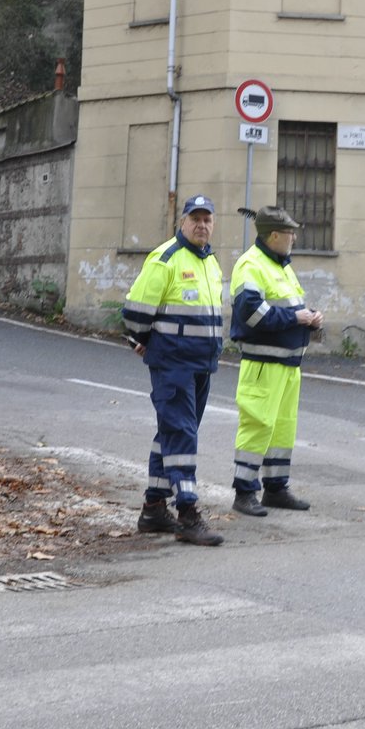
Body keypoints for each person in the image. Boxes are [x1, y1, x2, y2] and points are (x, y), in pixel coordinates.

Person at [122, 194, 226, 546]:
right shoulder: (166, 258)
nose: (202, 225)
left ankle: (153, 508)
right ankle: (188, 513)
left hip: (201, 365)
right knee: (181, 434)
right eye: (195, 218)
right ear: (182, 222)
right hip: (173, 364)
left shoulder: (209, 261)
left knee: (173, 432)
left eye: (207, 219)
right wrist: (138, 339)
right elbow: (136, 310)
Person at [228, 205, 324, 517]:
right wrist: (296, 316)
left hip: (287, 367)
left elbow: (288, 307)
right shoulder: (251, 265)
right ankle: (244, 492)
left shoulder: (281, 266)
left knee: (282, 429)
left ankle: (276, 488)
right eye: (289, 232)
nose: (294, 237)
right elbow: (251, 313)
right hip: (263, 366)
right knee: (257, 425)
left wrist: (311, 318)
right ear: (273, 236)